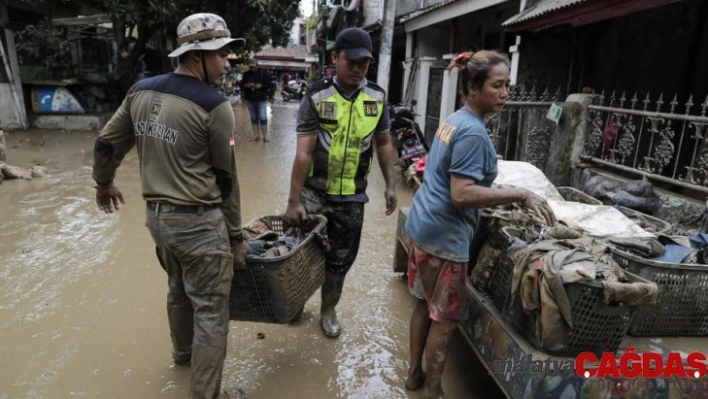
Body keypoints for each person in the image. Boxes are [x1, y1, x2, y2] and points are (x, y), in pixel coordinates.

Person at [92, 13, 249, 399]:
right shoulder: (215, 106)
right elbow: (226, 181)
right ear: (197, 55)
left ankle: (182, 356)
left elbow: (106, 144)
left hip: (158, 221)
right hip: (198, 224)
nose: (228, 62)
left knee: (177, 290)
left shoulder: (140, 91)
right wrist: (236, 236)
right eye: (222, 54)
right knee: (212, 312)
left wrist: (104, 183)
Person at [403, 50, 557, 399]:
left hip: (422, 224)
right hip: (445, 235)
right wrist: (519, 193)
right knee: (444, 318)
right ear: (474, 88)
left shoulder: (454, 120)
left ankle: (413, 375)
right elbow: (461, 194)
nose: (505, 93)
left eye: (507, 86)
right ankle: (435, 390)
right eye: (497, 85)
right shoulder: (473, 134)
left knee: (422, 304)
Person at [283, 27, 397, 338]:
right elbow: (303, 152)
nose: (359, 69)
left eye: (365, 63)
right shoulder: (317, 96)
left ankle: (328, 309)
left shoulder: (377, 98)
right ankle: (294, 304)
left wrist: (390, 184)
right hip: (315, 194)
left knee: (340, 260)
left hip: (352, 199)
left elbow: (384, 143)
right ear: (335, 58)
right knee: (299, 254)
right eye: (352, 61)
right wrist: (294, 200)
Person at [240, 58, 270, 142]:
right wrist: (246, 85)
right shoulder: (246, 74)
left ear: (257, 65)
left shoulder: (264, 73)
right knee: (253, 117)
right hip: (250, 98)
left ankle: (265, 136)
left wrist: (261, 86)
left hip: (261, 99)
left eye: (254, 67)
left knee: (262, 117)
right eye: (251, 67)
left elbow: (269, 85)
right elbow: (242, 85)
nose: (252, 69)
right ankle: (256, 135)